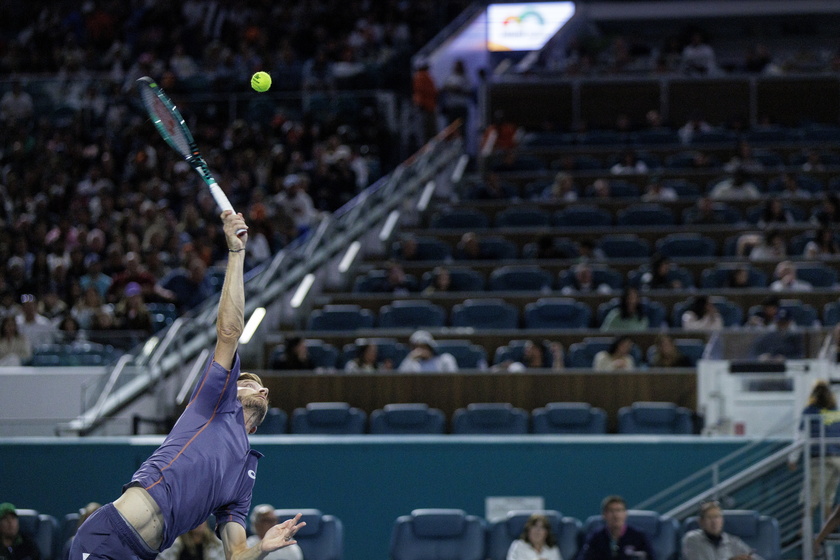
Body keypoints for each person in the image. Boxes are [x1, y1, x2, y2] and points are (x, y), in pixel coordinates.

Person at [70, 211, 305, 560]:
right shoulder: (214, 402)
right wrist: (236, 253)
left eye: (262, 387)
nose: (261, 389)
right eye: (247, 383)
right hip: (109, 534)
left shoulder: (244, 477)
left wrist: (262, 547)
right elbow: (228, 332)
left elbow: (236, 555)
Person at [788, 380, 840, 519]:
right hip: (837, 459)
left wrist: (793, 458)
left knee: (810, 498)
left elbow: (800, 436)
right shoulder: (835, 412)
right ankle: (828, 534)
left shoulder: (810, 411)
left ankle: (802, 533)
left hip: (819, 459)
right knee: (828, 498)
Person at [578, 495, 655, 560]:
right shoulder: (596, 537)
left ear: (625, 513)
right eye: (611, 511)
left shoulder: (639, 536)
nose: (616, 515)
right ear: (604, 515)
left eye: (619, 510)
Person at [681, 501, 763, 560]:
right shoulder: (692, 539)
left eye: (717, 517)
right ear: (701, 522)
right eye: (710, 517)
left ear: (722, 520)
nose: (714, 522)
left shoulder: (732, 541)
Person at [157, 520, 224, 560]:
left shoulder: (215, 543)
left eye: (203, 520)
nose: (201, 523)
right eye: (197, 520)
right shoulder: (175, 543)